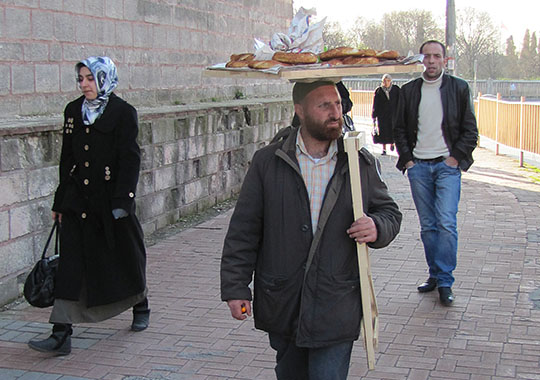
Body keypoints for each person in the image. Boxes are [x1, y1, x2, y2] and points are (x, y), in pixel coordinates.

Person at [221, 81, 402, 379]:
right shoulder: (269, 162)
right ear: (300, 111)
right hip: (284, 300)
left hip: (337, 301)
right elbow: (244, 230)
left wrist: (376, 226)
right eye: (324, 106)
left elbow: (390, 213)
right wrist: (236, 287)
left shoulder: (357, 162)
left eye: (338, 104)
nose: (336, 113)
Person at [28, 57, 150, 356]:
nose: (84, 84)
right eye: (80, 79)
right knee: (71, 264)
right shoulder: (73, 111)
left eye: (90, 78)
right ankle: (61, 332)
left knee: (126, 255)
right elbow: (66, 159)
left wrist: (123, 202)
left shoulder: (123, 113)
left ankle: (141, 302)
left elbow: (130, 159)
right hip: (76, 202)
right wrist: (59, 201)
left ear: (104, 79)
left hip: (110, 202)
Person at [393, 40, 478, 306]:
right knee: (428, 226)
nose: (431, 61)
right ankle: (434, 273)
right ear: (421, 59)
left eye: (436, 56)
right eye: (427, 56)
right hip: (418, 167)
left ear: (445, 60)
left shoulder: (459, 88)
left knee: (446, 223)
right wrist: (408, 161)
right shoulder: (408, 91)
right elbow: (400, 130)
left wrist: (455, 159)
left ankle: (445, 281)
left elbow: (470, 131)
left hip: (446, 167)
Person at [372, 73, 400, 155]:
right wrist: (374, 115)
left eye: (388, 80)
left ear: (391, 81)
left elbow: (400, 101)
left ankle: (392, 143)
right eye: (384, 81)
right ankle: (384, 149)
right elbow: (375, 103)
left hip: (393, 114)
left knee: (393, 130)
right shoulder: (379, 90)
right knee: (383, 131)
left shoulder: (396, 89)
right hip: (382, 115)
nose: (386, 82)